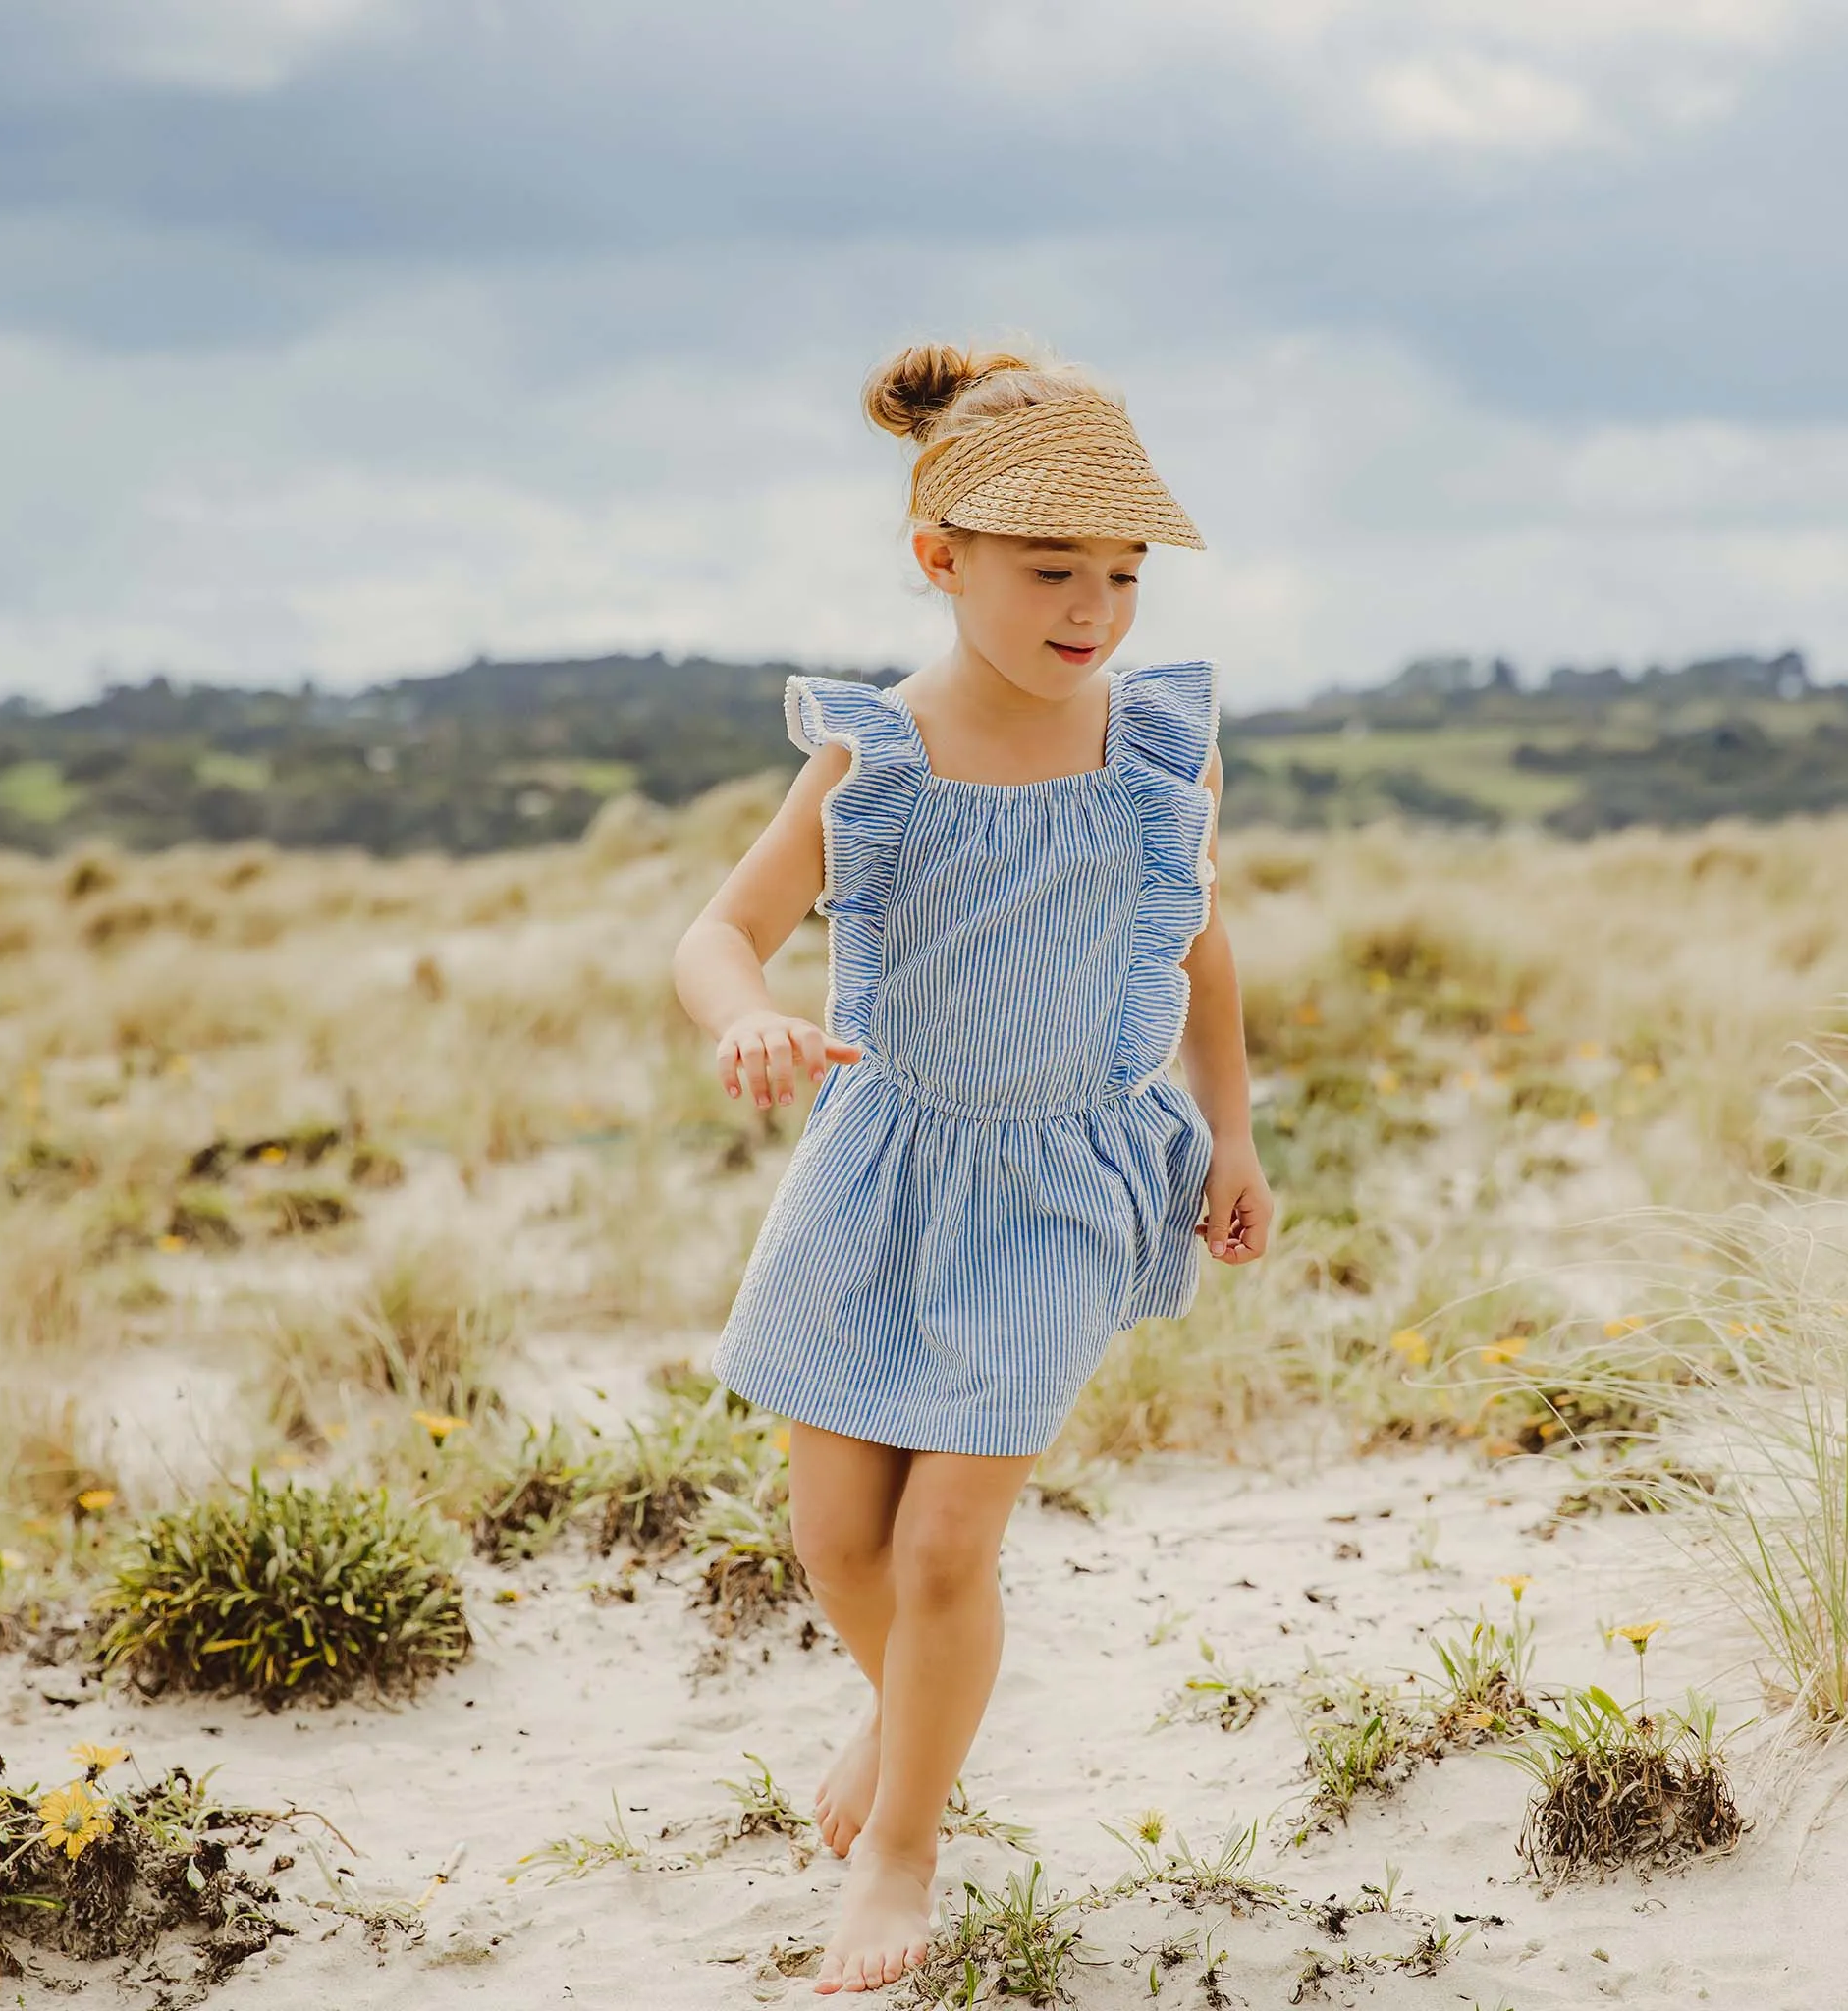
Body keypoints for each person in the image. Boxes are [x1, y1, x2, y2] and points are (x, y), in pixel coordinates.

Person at [671, 341, 1273, 1993]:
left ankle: (905, 1843)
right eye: (1051, 570)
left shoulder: (1158, 747)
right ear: (941, 560)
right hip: (881, 1162)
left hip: (1068, 1176)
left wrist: (1230, 1131)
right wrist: (747, 1023)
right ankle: (910, 1715)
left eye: (1123, 574)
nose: (1095, 609)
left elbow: (1202, 952)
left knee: (945, 1548)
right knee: (840, 1546)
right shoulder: (882, 755)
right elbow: (719, 934)